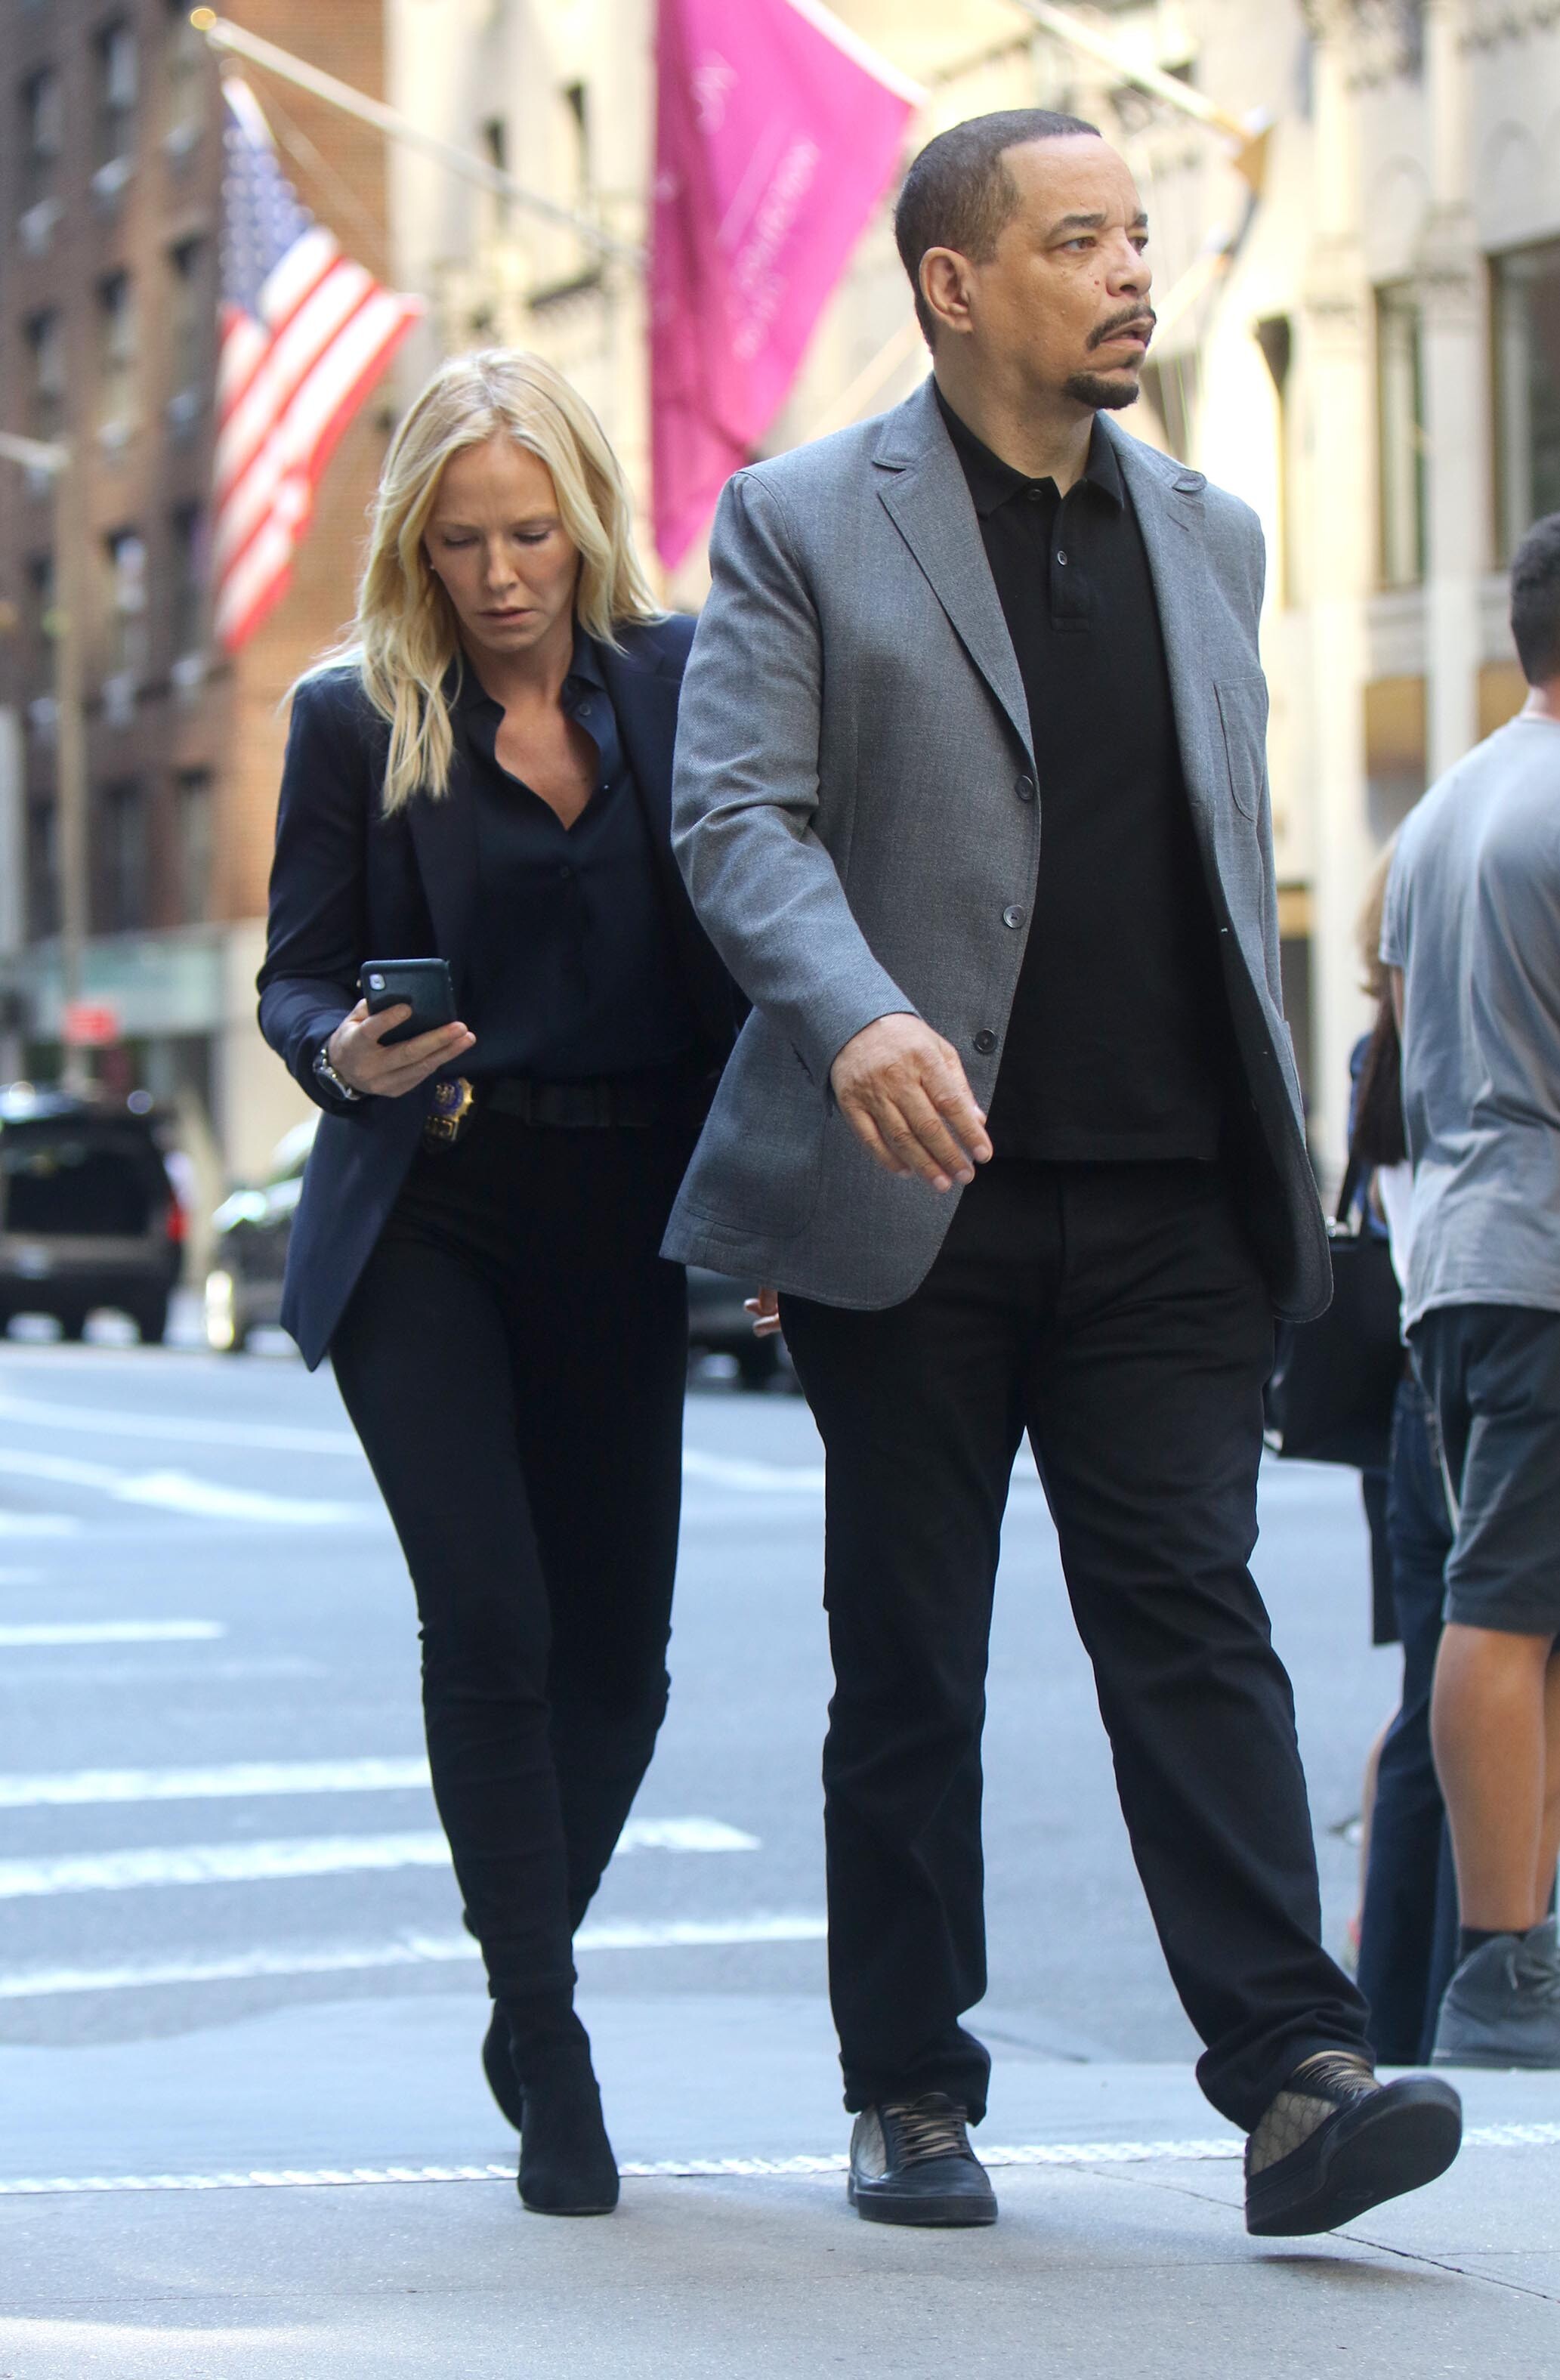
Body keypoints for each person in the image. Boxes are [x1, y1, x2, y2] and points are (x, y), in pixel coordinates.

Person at [666, 109, 1461, 2234]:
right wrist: (859, 1018)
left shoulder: (1209, 532)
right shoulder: (801, 522)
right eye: (1078, 240)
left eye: (1138, 236)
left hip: (1175, 1190)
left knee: (1195, 1629)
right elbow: (736, 820)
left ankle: (1294, 2076)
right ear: (952, 284)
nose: (1131, 274)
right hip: (916, 1195)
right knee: (909, 1655)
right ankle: (910, 2087)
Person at [258, 349, 734, 2213]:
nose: (501, 573)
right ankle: (549, 2039)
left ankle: (521, 1954)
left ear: (586, 521)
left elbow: (744, 952)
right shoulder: (352, 715)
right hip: (431, 1208)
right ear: (417, 549)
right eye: (461, 542)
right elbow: (296, 972)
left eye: (529, 532)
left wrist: (781, 1214)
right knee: (492, 1623)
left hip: (625, 1215)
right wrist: (335, 1048)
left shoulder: (683, 683)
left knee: (621, 1664)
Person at [1382, 509, 1560, 2069]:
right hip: (1541, 1258)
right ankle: (1506, 1969)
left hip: (1458, 1255)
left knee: (1508, 1601)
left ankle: (1515, 1949)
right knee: (1505, 1604)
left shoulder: (1451, 805)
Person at [1348, 859, 1460, 2065]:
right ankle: (1467, 1980)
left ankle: (1389, 2007)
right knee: (1470, 1702)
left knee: (1427, 1714)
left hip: (1410, 1401)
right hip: (1467, 1388)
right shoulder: (1462, 1058)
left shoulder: (1376, 1062)